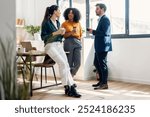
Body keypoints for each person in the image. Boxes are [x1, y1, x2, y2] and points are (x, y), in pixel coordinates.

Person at [41, 5, 81, 98]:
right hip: (50, 46)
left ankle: (68, 87)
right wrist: (57, 32)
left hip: (58, 45)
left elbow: (59, 37)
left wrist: (62, 34)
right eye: (58, 10)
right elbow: (44, 37)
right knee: (62, 63)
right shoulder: (46, 22)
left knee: (66, 64)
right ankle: (70, 87)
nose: (60, 12)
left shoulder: (58, 23)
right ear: (54, 12)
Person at [87, 3, 112, 90]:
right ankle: (101, 81)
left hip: (103, 46)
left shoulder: (105, 19)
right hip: (99, 46)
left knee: (102, 65)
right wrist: (93, 31)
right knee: (97, 63)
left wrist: (93, 32)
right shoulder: (101, 19)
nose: (96, 10)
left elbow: (105, 33)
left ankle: (104, 84)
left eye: (97, 9)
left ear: (102, 9)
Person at [61, 8, 82, 77]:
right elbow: (63, 35)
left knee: (78, 63)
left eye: (72, 13)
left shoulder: (78, 23)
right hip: (68, 41)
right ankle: (69, 80)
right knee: (68, 62)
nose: (70, 14)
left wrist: (79, 41)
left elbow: (80, 34)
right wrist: (71, 32)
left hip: (77, 42)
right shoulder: (64, 24)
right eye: (69, 13)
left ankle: (71, 75)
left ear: (75, 14)